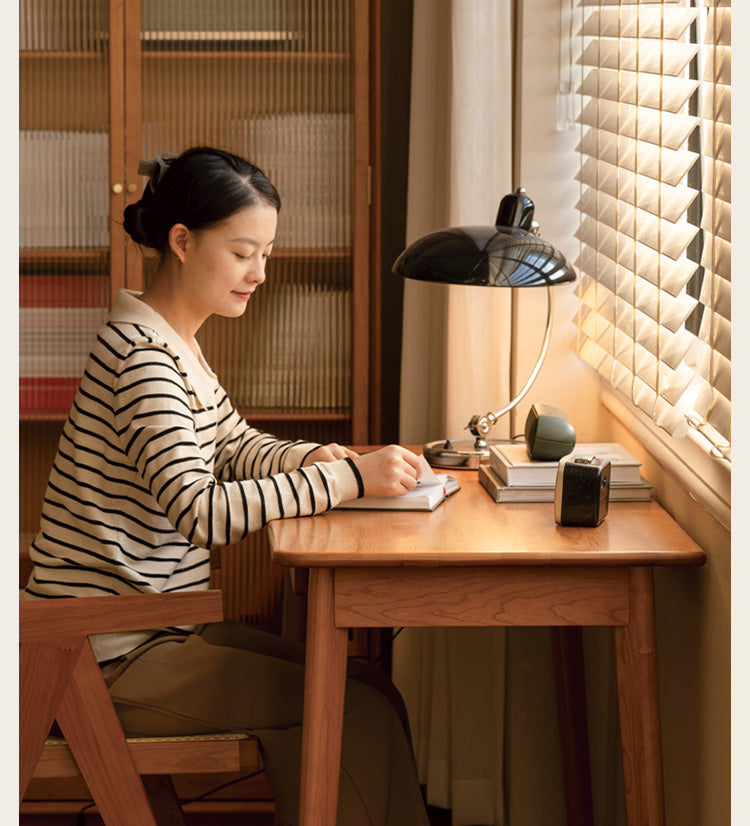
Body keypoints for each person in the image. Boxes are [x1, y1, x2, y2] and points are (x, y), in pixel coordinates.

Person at [22, 146, 430, 826]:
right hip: (102, 655)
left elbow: (233, 445)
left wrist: (312, 461)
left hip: (141, 636)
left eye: (265, 254)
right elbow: (201, 511)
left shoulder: (169, 343)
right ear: (182, 242)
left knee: (367, 691)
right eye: (244, 252)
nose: (259, 273)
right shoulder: (143, 361)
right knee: (348, 708)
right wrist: (345, 478)